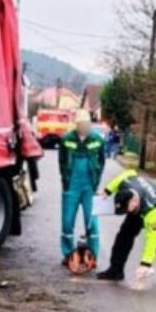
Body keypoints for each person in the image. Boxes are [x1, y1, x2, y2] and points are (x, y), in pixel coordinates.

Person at [96, 169, 156, 287]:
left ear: (133, 201)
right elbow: (128, 173)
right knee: (124, 235)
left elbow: (153, 238)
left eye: (126, 209)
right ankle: (115, 270)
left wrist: (145, 264)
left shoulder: (152, 209)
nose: (125, 212)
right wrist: (108, 190)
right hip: (142, 204)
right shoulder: (126, 184)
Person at [58, 111, 106, 270]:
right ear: (77, 125)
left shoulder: (98, 140)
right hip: (71, 186)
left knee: (92, 222)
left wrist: (96, 182)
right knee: (67, 222)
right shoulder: (66, 139)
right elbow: (62, 162)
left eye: (86, 124)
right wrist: (65, 181)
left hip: (89, 187)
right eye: (81, 125)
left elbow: (101, 161)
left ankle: (92, 256)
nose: (83, 127)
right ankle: (68, 255)